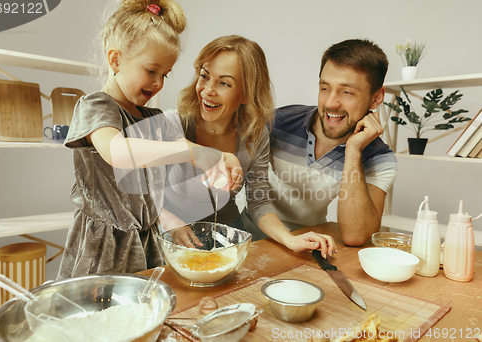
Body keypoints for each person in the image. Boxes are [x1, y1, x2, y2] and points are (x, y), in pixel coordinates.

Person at [57, 0, 241, 280]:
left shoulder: (153, 118)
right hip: (102, 245)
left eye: (164, 74)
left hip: (144, 242)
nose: (158, 83)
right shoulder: (96, 107)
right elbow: (117, 151)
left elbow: (147, 189)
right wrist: (189, 150)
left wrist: (222, 158)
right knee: (100, 317)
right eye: (151, 70)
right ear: (116, 60)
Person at [161, 35, 336, 256]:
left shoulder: (254, 134)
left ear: (245, 94)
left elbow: (258, 203)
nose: (207, 90)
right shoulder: (172, 124)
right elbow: (141, 195)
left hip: (226, 230)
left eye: (224, 83)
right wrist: (172, 224)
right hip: (171, 230)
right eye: (204, 76)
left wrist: (290, 240)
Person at [248, 38, 397, 247]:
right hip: (251, 236)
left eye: (347, 92)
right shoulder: (277, 123)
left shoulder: (380, 158)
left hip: (310, 241)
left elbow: (356, 236)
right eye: (325, 88)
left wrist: (353, 151)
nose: (330, 103)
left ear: (376, 98)